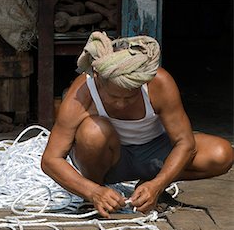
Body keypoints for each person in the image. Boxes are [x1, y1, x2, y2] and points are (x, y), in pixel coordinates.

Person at [41, 31, 233, 218]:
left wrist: (158, 184)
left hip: (154, 154)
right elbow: (51, 160)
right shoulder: (83, 91)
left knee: (221, 153)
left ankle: (147, 185)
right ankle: (96, 197)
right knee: (92, 132)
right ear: (99, 79)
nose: (122, 103)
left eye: (130, 96)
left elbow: (185, 143)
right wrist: (92, 191)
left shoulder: (159, 83)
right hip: (109, 161)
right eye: (115, 97)